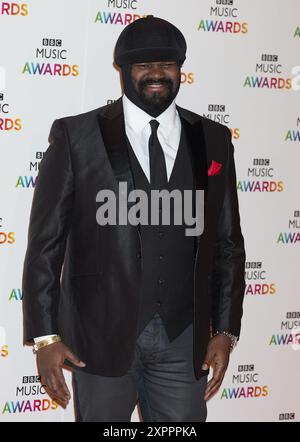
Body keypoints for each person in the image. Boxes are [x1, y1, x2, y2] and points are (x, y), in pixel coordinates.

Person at [22, 15, 246, 422]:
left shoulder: (213, 138)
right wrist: (45, 338)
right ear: (123, 71)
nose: (157, 74)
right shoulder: (78, 136)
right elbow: (45, 246)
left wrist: (226, 330)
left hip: (185, 338)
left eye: (167, 64)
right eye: (144, 65)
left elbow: (228, 243)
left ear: (180, 70)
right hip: (100, 339)